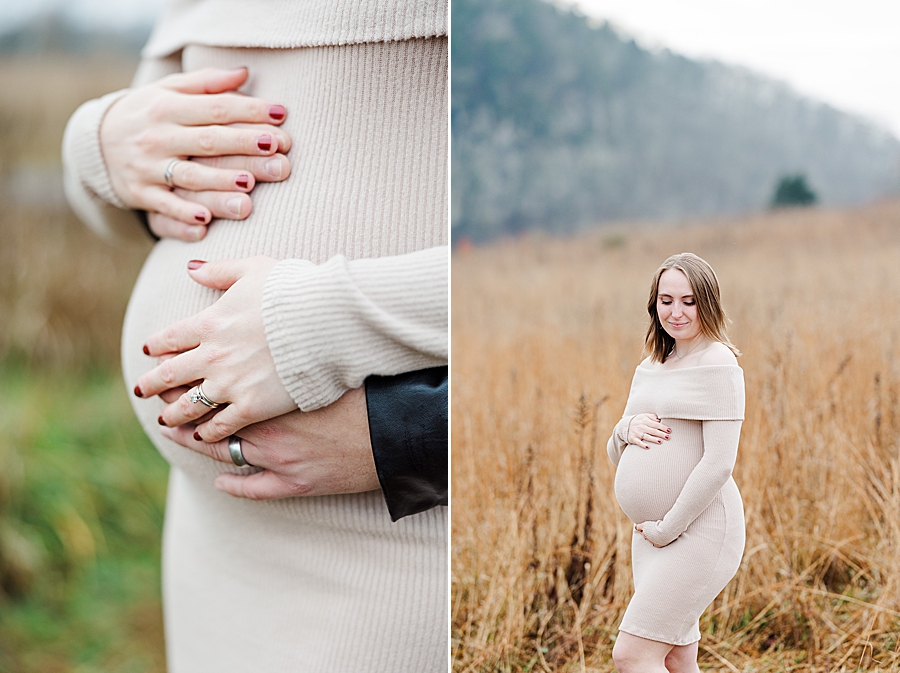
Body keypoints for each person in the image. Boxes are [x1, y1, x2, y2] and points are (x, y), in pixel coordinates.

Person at [61, 1, 448, 670]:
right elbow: (137, 208)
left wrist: (326, 331)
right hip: (213, 547)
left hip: (405, 551)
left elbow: (578, 282)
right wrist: (98, 145)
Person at [606, 253, 745, 673]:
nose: (676, 312)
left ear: (708, 302)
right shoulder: (650, 367)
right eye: (666, 300)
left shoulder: (719, 362)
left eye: (689, 301)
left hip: (699, 530)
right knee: (675, 657)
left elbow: (720, 463)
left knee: (631, 655)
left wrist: (669, 529)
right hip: (650, 539)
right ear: (654, 305)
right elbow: (619, 456)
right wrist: (624, 430)